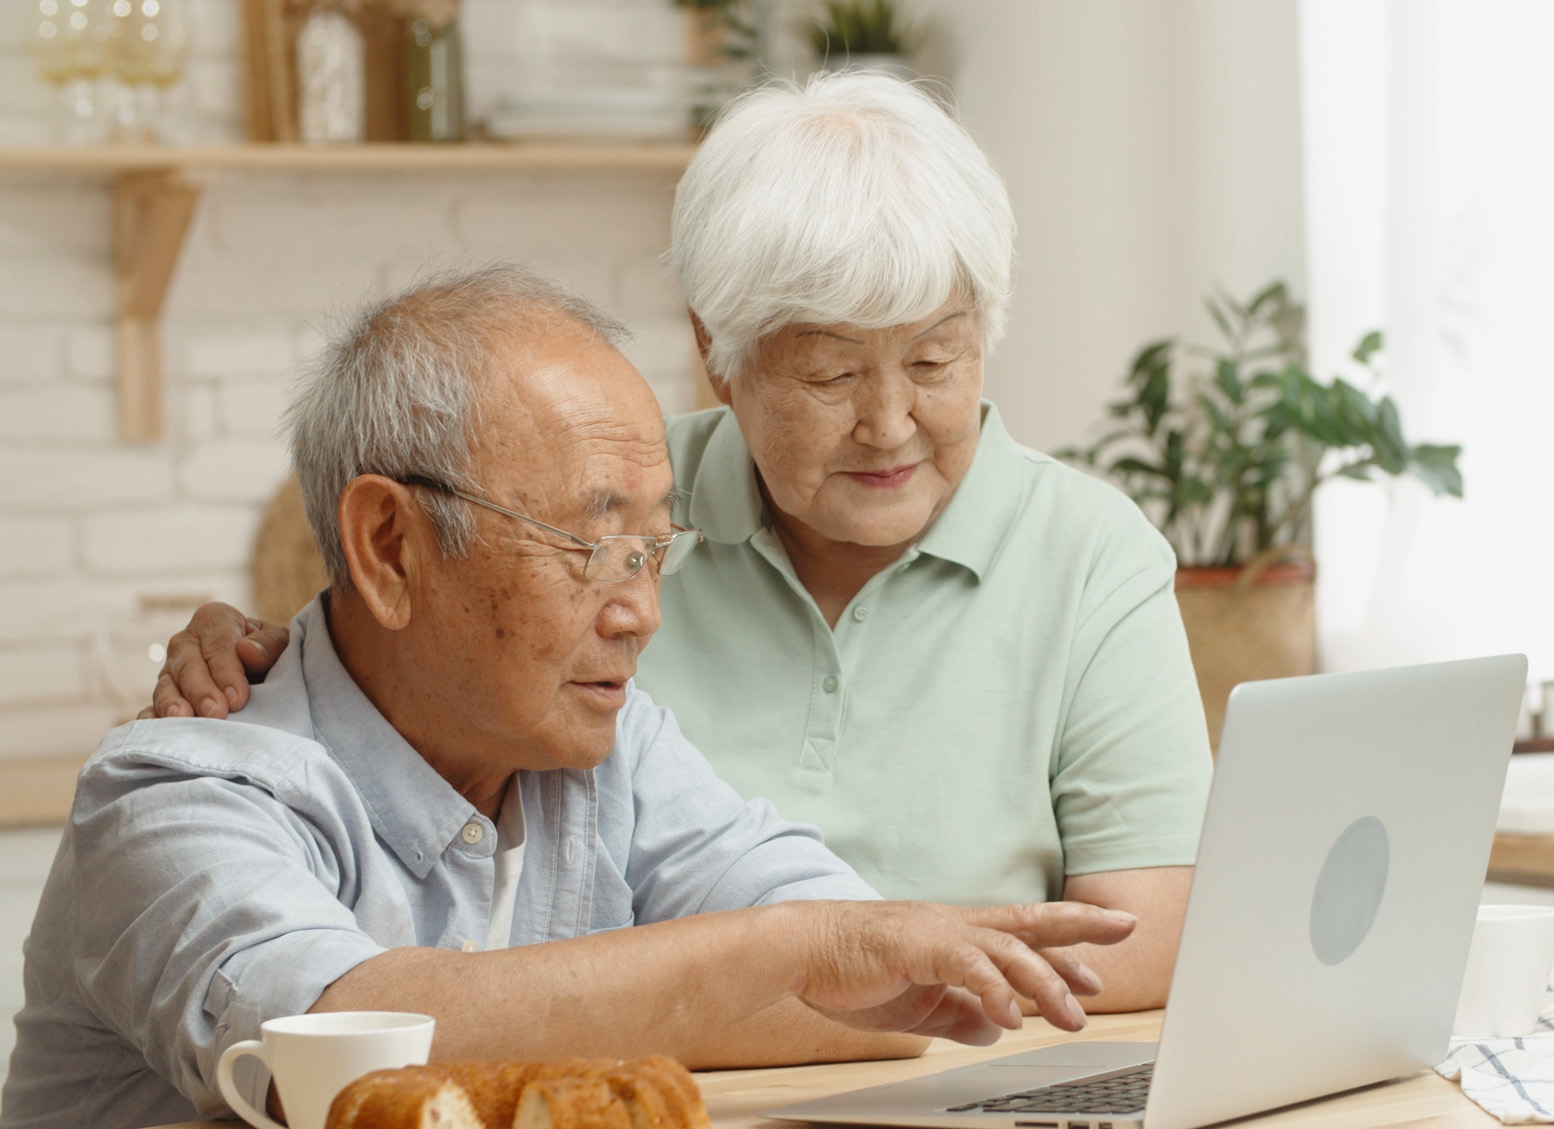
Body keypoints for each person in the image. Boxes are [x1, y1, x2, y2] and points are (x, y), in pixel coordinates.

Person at [145, 73, 1210, 1014]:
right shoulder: (610, 506)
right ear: (717, 350)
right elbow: (385, 654)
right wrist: (267, 665)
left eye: (935, 363)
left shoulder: (1088, 553)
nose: (889, 424)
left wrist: (875, 963)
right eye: (833, 376)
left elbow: (1124, 935)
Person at [0, 268, 1136, 1129]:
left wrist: (832, 953)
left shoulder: (604, 746)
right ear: (390, 546)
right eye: (590, 548)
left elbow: (866, 999)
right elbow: (349, 1041)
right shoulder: (175, 792)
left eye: (654, 551)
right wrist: (796, 951)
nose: (640, 609)